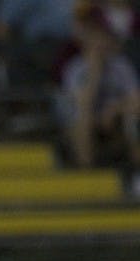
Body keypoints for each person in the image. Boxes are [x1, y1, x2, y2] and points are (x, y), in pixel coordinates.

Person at [57, 6, 140, 186]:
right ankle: (88, 176)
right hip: (83, 119)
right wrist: (94, 71)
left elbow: (136, 99)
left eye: (105, 36)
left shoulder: (120, 66)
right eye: (97, 37)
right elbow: (83, 103)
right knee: (82, 117)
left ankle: (137, 173)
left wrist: (115, 109)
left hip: (113, 119)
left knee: (132, 116)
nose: (101, 42)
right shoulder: (76, 68)